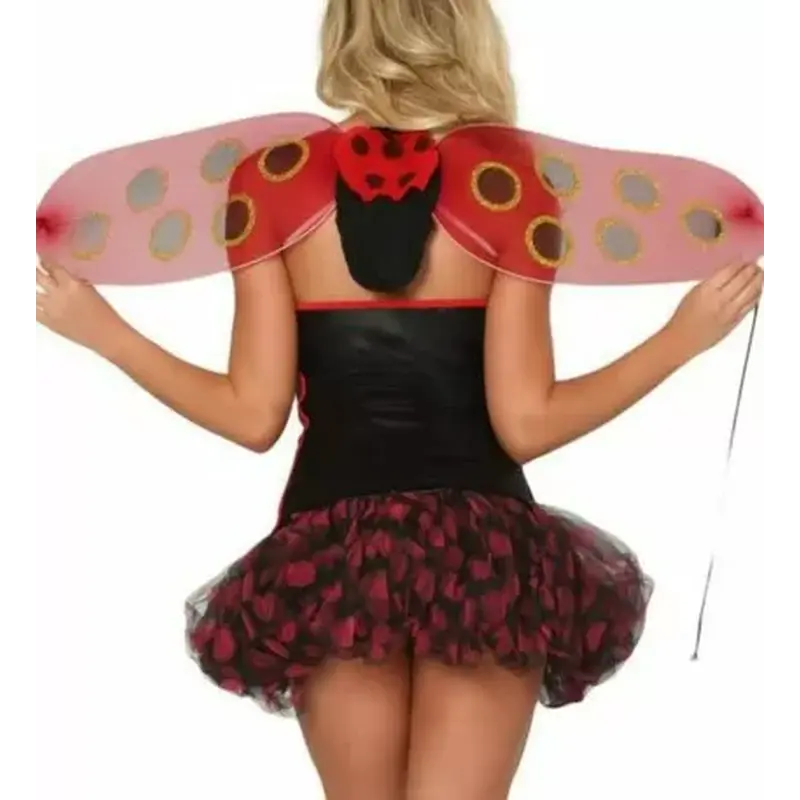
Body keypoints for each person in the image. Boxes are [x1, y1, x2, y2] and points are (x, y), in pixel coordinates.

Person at [33, 1, 765, 798]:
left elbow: (252, 414)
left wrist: (104, 331)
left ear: (345, 32)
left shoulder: (269, 183)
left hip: (332, 557)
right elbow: (526, 423)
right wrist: (680, 338)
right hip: (484, 555)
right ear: (468, 32)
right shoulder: (510, 187)